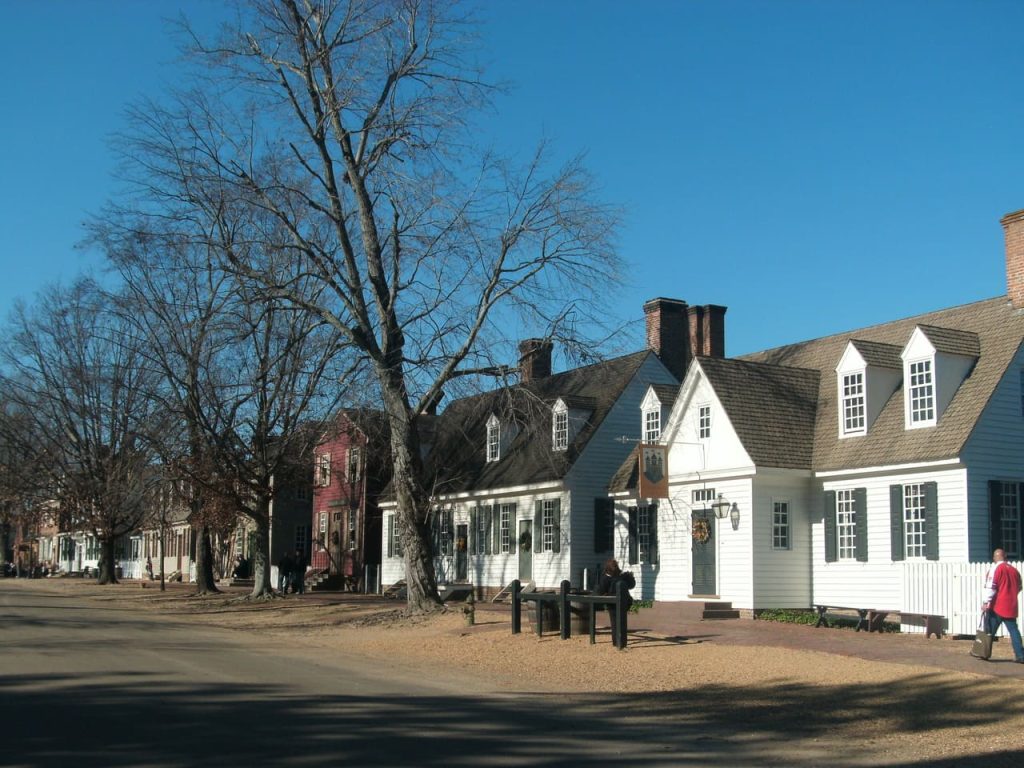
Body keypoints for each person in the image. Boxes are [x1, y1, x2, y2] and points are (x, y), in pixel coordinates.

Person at [982, 548, 1024, 663]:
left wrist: (986, 602)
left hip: (997, 606)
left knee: (989, 630)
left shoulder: (995, 568)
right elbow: (1020, 587)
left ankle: (984, 652)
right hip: (1011, 605)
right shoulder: (1014, 570)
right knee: (1014, 631)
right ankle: (1020, 655)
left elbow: (991, 587)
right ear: (1005, 557)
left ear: (996, 557)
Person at [595, 558, 635, 643]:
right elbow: (631, 585)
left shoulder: (606, 578)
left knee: (615, 622)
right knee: (620, 621)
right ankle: (620, 641)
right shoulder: (621, 577)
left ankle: (616, 641)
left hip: (613, 603)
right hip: (623, 602)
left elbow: (601, 591)